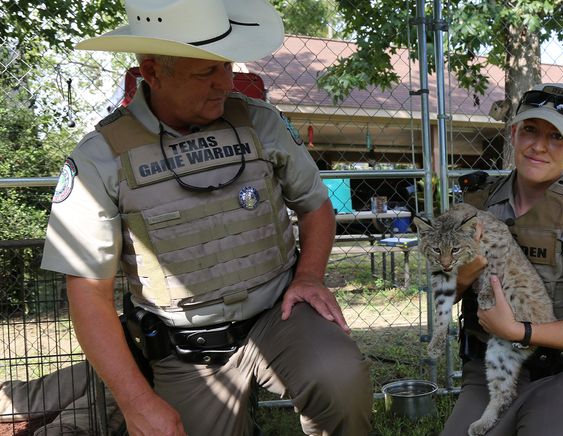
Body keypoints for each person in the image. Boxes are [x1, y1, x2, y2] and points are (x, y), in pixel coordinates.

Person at [39, 0, 372, 435]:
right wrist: (137, 402)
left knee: (340, 377)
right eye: (204, 72)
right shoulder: (100, 159)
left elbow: (316, 206)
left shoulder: (260, 123)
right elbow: (87, 292)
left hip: (279, 316)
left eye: (226, 66)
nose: (224, 83)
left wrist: (309, 276)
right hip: (186, 349)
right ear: (153, 71)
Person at [443, 83, 563, 435]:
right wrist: (465, 272)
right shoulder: (477, 207)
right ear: (513, 133)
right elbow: (440, 295)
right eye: (530, 130)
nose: (539, 146)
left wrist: (518, 331)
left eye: (557, 137)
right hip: (492, 371)